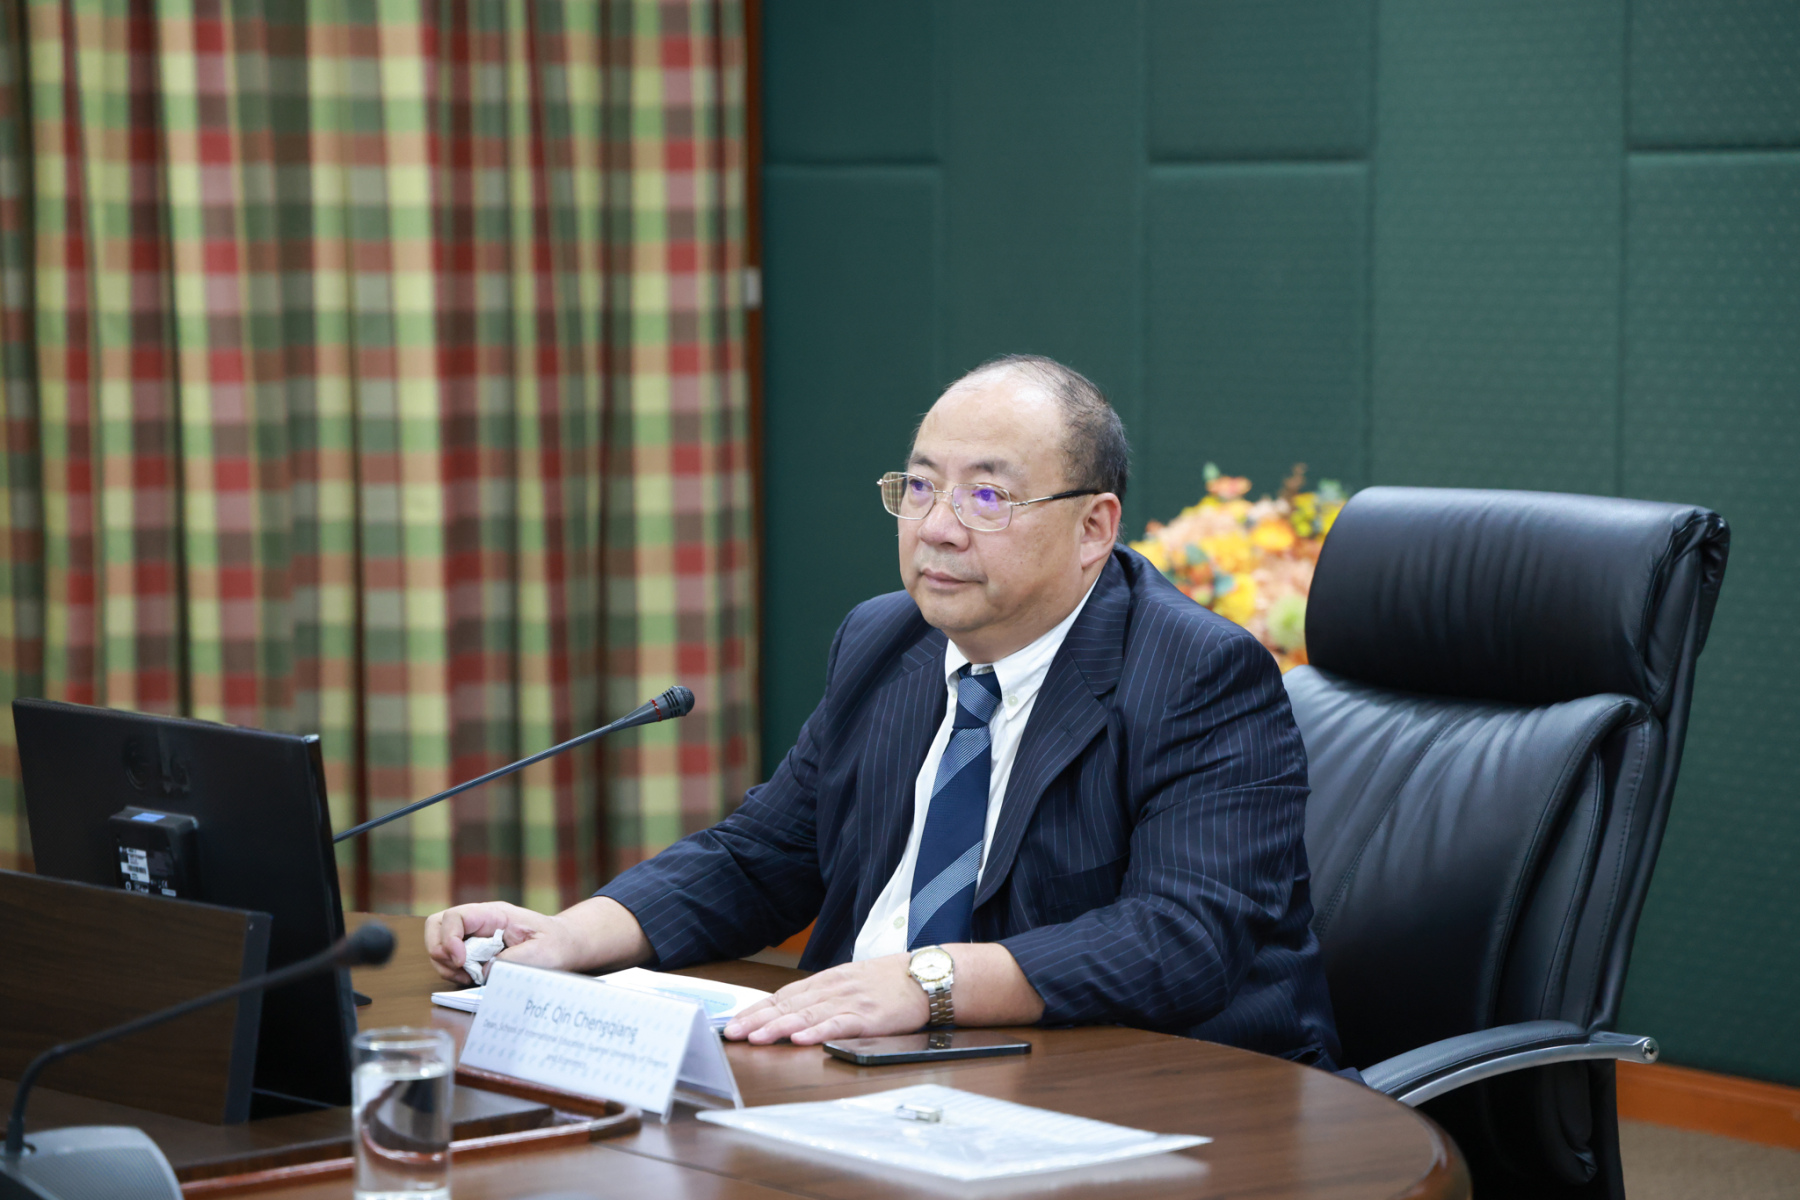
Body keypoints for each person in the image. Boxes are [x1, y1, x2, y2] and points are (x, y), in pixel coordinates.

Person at [426, 354, 1342, 1068]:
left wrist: (927, 982)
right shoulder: (886, 639)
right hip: (872, 1072)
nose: (937, 526)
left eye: (987, 496)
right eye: (921, 486)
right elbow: (764, 856)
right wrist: (574, 934)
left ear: (1094, 528)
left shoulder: (1196, 673)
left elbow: (1181, 937)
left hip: (1144, 1092)